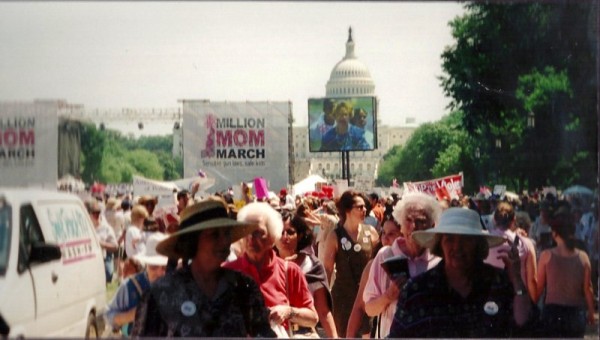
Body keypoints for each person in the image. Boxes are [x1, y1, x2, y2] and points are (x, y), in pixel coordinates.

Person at [131, 198, 275, 337]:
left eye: (226, 233)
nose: (224, 241)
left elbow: (263, 334)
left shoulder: (244, 288)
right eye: (214, 235)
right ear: (193, 241)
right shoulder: (162, 293)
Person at [389, 208, 531, 337]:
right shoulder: (416, 290)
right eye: (449, 240)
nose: (457, 247)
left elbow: (524, 326)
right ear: (440, 244)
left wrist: (517, 278)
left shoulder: (498, 282)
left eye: (466, 240)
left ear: (477, 245)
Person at [223, 202, 319, 336]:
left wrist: (288, 312)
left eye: (258, 233)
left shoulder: (289, 271)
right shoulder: (226, 272)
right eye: (246, 232)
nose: (251, 239)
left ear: (272, 238)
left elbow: (313, 319)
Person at [363, 192, 442, 338]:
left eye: (421, 221)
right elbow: (369, 309)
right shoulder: (385, 256)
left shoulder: (440, 260)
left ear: (432, 226)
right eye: (408, 220)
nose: (414, 226)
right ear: (401, 226)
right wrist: (388, 296)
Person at [534, 200, 597, 337]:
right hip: (575, 315)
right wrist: (591, 312)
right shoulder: (583, 257)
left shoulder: (546, 256)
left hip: (552, 314)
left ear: (555, 233)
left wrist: (532, 305)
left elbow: (539, 287)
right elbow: (588, 289)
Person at [323, 190, 379, 337]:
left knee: (367, 335)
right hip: (343, 299)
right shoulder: (335, 236)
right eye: (359, 207)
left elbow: (379, 264)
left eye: (365, 207)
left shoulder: (371, 233)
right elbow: (327, 270)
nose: (364, 210)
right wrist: (323, 301)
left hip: (366, 298)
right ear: (347, 209)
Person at [276, 211, 338, 338]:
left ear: (300, 235)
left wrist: (334, 337)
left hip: (304, 333)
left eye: (290, 232)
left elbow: (323, 311)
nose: (284, 237)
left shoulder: (312, 266)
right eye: (280, 232)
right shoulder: (265, 265)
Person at [105, 232, 168, 336]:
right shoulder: (130, 285)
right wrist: (133, 315)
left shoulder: (180, 286)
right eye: (154, 266)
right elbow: (108, 316)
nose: (160, 273)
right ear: (146, 265)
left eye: (165, 267)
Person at [485, 201, 538, 303]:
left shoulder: (484, 242)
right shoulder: (526, 243)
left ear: (495, 220)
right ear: (514, 220)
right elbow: (532, 280)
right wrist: (532, 305)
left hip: (490, 299)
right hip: (518, 297)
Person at [86, 199, 118, 284]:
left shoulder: (105, 227)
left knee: (108, 275)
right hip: (87, 260)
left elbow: (115, 246)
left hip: (103, 257)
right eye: (94, 213)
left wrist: (101, 244)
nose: (97, 215)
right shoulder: (82, 227)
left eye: (98, 212)